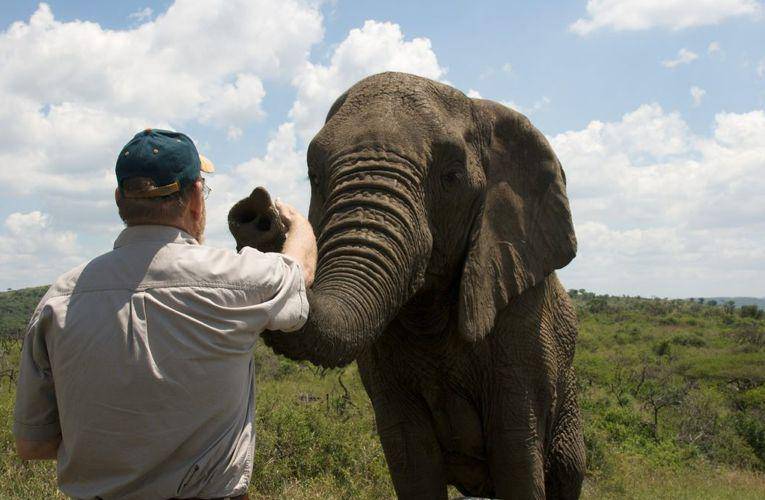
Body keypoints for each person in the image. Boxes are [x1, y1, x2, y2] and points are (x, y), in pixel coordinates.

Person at [13, 128, 317, 499]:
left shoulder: (57, 301)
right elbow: (299, 273)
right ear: (194, 199)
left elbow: (33, 445)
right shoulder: (239, 280)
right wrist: (298, 222)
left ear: (118, 200)